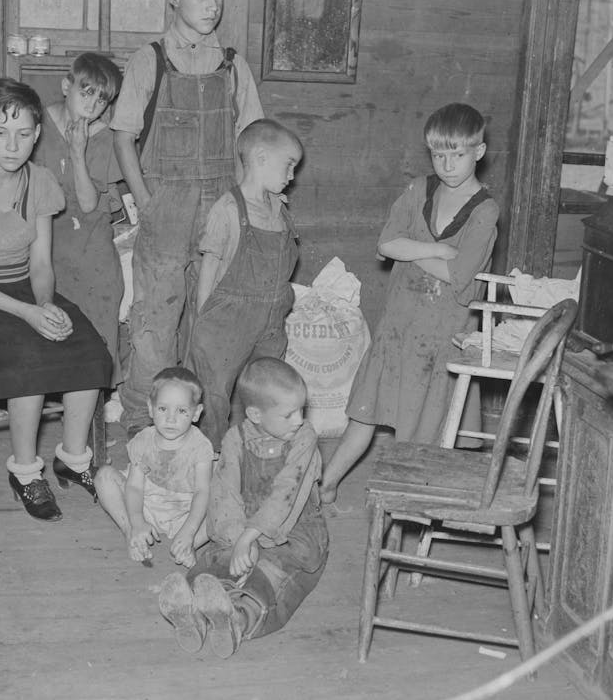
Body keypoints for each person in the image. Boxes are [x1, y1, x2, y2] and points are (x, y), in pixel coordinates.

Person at [0, 77, 113, 522]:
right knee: (29, 361)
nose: (13, 146)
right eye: (1, 132)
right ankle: (26, 474)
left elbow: (41, 263)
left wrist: (45, 305)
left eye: (24, 133)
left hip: (25, 290)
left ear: (37, 133)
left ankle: (73, 459)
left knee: (89, 348)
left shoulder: (41, 181)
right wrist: (27, 313)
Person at [110, 0, 264, 438]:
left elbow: (254, 143)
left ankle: (203, 431)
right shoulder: (149, 60)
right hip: (166, 208)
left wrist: (244, 207)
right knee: (155, 322)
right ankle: (143, 426)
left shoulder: (233, 66)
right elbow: (123, 137)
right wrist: (147, 201)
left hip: (220, 208)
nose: (212, 6)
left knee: (210, 321)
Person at [319, 103, 500, 505]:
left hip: (442, 336)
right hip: (398, 325)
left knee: (422, 426)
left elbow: (458, 275)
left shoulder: (485, 210)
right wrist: (436, 249)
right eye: (438, 155)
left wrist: (412, 250)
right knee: (363, 412)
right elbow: (386, 244)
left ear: (479, 152)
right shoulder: (419, 190)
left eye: (458, 155)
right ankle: (328, 482)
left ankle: (406, 503)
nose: (447, 165)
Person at [158, 358, 327, 658]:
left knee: (272, 573)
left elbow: (286, 493)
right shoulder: (235, 438)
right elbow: (224, 494)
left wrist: (250, 538)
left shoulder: (304, 438)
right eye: (289, 414)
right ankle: (195, 614)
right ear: (255, 414)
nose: (299, 420)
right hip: (242, 527)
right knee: (219, 562)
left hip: (292, 531)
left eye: (301, 410)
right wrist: (239, 540)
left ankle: (237, 620)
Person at [184, 119, 302, 450]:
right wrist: (203, 321)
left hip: (270, 322)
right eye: (288, 165)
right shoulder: (228, 209)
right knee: (214, 394)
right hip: (227, 322)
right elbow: (210, 266)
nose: (292, 176)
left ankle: (261, 453)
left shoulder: (279, 209)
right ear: (261, 158)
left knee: (268, 391)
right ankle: (212, 456)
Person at [32, 52, 126, 381]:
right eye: (86, 93)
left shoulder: (105, 137)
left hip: (90, 250)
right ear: (65, 87)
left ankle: (96, 395)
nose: (92, 105)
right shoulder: (37, 125)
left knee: (94, 340)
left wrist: (77, 151)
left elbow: (88, 204)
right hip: (45, 245)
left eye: (102, 99)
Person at [94, 367, 212, 566]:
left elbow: (202, 492)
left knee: (225, 503)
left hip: (185, 511)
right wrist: (137, 520)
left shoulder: (200, 446)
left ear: (196, 413)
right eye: (163, 409)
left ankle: (188, 545)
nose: (171, 419)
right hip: (145, 504)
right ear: (150, 408)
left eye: (182, 411)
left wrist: (189, 532)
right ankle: (131, 533)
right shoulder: (143, 440)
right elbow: (134, 487)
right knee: (103, 476)